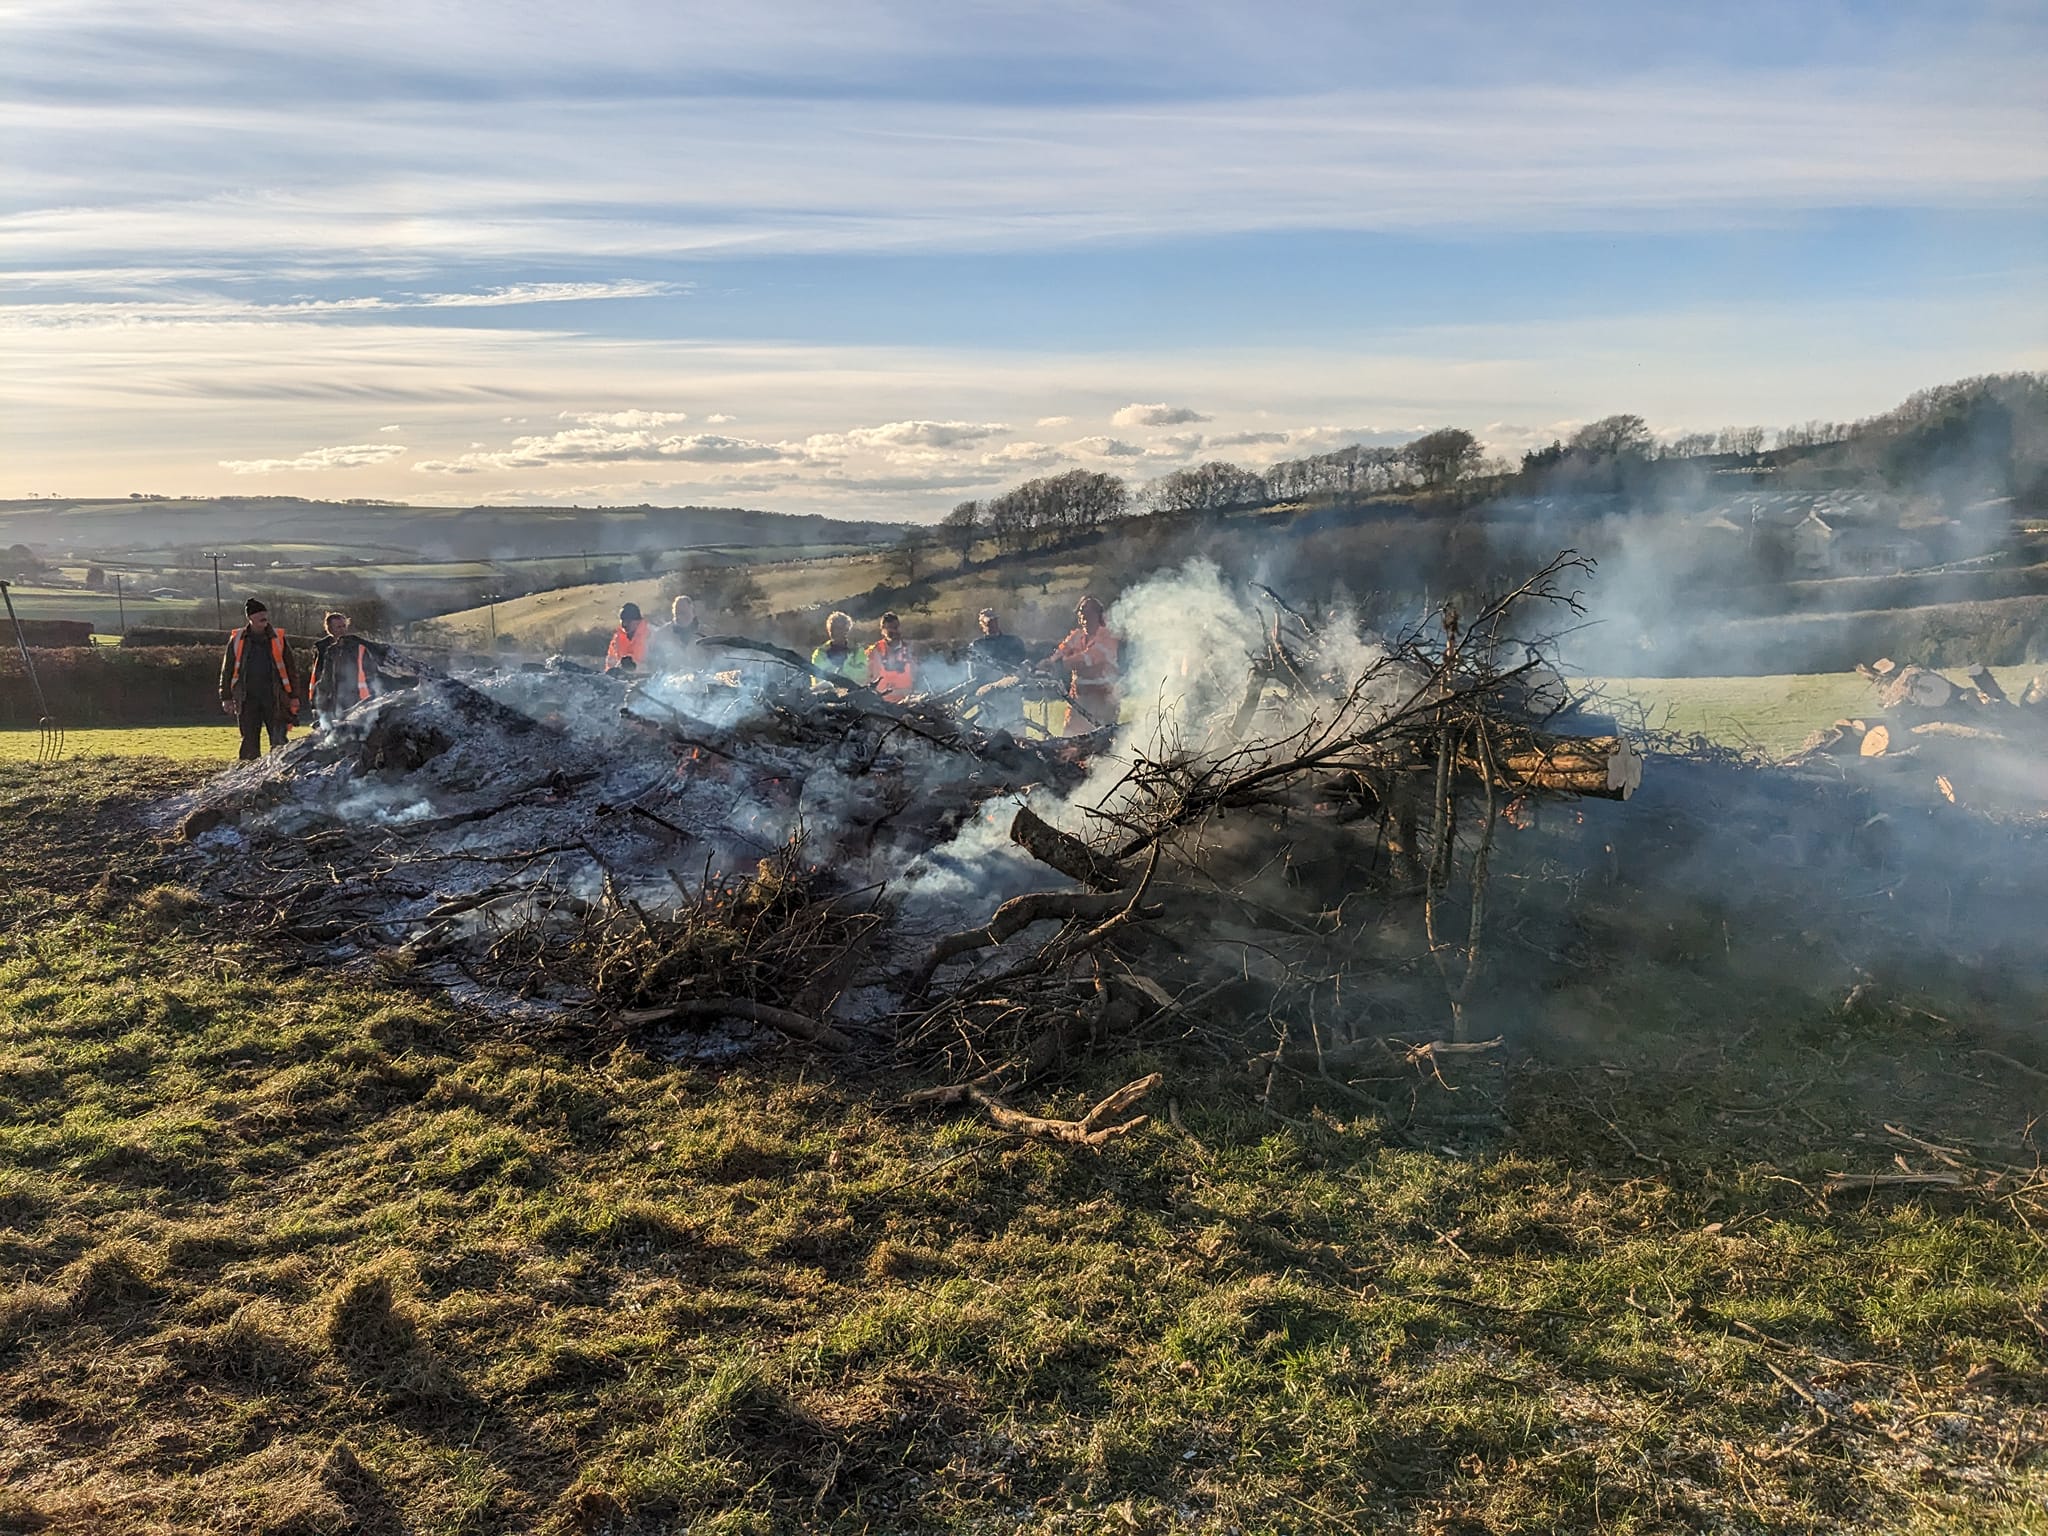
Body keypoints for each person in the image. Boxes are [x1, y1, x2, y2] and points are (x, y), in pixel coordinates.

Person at [218, 598, 300, 760]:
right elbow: (227, 670)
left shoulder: (279, 638)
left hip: (275, 697)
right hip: (247, 698)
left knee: (279, 740)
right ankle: (247, 775)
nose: (264, 617)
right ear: (250, 618)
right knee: (249, 740)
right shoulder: (237, 639)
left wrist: (294, 696)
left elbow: (291, 670)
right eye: (259, 614)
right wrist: (226, 697)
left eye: (265, 614)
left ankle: (282, 772)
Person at [1047, 594, 1120, 734]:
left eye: (1089, 612)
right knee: (1071, 738)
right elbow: (1062, 650)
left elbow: (1089, 658)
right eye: (1081, 612)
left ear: (1098, 615)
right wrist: (1049, 662)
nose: (1084, 616)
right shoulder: (1077, 636)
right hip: (1079, 698)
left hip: (1102, 699)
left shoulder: (1108, 637)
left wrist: (1062, 664)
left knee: (1100, 739)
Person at [308, 611, 388, 729]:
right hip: (331, 699)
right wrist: (317, 703)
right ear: (329, 629)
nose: (342, 630)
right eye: (338, 627)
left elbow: (371, 673)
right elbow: (320, 676)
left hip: (355, 697)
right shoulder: (322, 648)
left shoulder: (357, 645)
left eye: (344, 626)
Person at [965, 607, 1029, 728]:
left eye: (994, 621)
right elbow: (974, 674)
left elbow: (1022, 663)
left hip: (1011, 691)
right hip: (988, 693)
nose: (992, 625)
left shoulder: (1013, 641)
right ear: (982, 625)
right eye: (989, 622)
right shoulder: (977, 645)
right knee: (988, 729)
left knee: (1015, 726)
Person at [865, 610, 914, 702]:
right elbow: (868, 677)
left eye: (896, 627)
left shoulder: (909, 650)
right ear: (882, 629)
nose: (894, 631)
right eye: (890, 628)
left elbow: (917, 675)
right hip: (882, 704)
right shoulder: (874, 651)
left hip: (907, 702)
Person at [810, 611, 864, 687]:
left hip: (853, 694)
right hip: (828, 695)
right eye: (833, 628)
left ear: (846, 629)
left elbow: (863, 674)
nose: (836, 631)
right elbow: (817, 678)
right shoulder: (820, 653)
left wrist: (844, 668)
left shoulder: (856, 651)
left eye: (840, 628)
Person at [649, 594, 699, 671]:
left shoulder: (706, 634)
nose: (679, 617)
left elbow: (718, 659)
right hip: (672, 679)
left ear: (693, 612)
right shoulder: (662, 634)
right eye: (677, 613)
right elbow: (652, 660)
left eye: (683, 613)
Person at [604, 602, 650, 673]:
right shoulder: (617, 638)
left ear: (638, 621)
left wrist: (634, 667)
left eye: (628, 621)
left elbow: (655, 665)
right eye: (622, 620)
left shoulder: (650, 635)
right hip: (621, 680)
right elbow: (610, 663)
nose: (624, 624)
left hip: (646, 679)